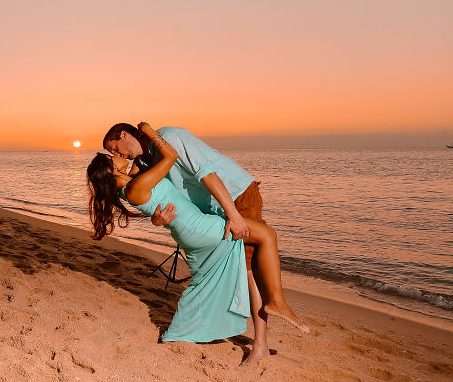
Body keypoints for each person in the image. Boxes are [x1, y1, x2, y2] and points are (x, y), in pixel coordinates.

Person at [88, 123, 307, 363]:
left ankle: (262, 338)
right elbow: (151, 193)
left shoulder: (170, 137)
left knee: (248, 267)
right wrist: (157, 219)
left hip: (234, 195)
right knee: (249, 267)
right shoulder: (144, 164)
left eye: (115, 149)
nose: (118, 155)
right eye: (113, 156)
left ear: (124, 135)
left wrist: (232, 213)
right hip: (211, 212)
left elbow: (207, 172)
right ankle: (263, 336)